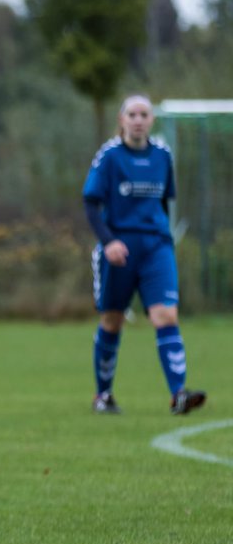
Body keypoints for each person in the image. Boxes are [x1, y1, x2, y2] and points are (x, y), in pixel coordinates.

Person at [83, 93, 205, 416]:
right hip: (119, 250)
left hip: (155, 247)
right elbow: (91, 204)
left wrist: (162, 237)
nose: (138, 120)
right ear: (122, 119)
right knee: (112, 319)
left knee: (166, 315)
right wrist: (108, 242)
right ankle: (103, 395)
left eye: (144, 114)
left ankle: (178, 394)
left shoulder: (163, 155)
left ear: (152, 120)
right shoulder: (109, 156)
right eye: (132, 114)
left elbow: (164, 203)